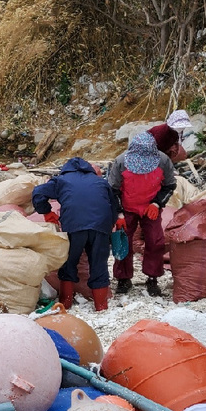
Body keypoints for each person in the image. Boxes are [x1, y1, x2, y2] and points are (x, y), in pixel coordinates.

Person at [32, 158, 119, 311]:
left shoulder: (61, 180)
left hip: (74, 225)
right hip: (100, 225)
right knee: (99, 264)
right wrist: (109, 227)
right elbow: (114, 205)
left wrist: (46, 212)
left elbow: (38, 192)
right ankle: (101, 306)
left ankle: (66, 303)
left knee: (69, 262)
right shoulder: (100, 182)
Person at [107, 131, 177, 296]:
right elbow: (112, 190)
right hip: (127, 207)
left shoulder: (163, 161)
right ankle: (123, 278)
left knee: (156, 241)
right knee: (122, 242)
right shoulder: (121, 162)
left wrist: (157, 203)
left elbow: (170, 185)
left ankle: (152, 278)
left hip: (150, 207)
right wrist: (119, 214)